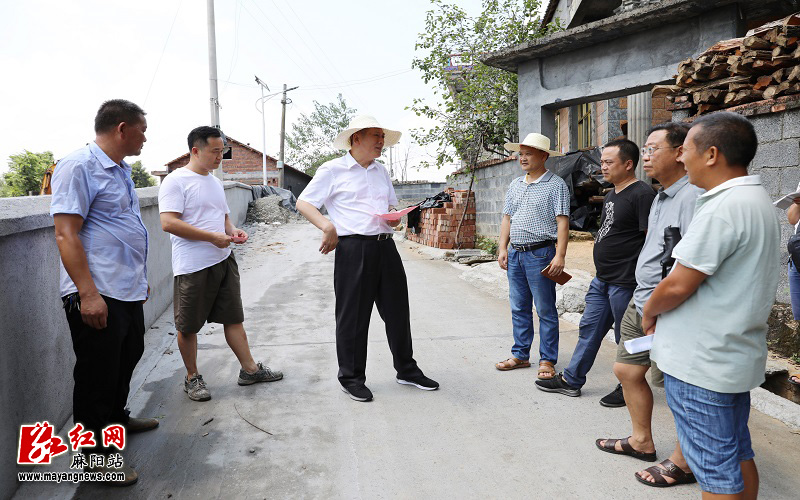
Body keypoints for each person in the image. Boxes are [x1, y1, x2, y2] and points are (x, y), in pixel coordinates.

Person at [645, 111, 780, 499]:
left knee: (716, 472)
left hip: (700, 362)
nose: (681, 159)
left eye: (685, 150)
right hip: (728, 354)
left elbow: (677, 284)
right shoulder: (753, 198)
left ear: (712, 154)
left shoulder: (722, 207)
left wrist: (650, 310)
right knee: (736, 452)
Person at [51, 99, 159, 486]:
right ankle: (96, 462)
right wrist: (88, 294)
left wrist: (139, 280)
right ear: (122, 129)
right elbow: (66, 233)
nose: (146, 137)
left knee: (127, 357)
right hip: (97, 290)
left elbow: (121, 227)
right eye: (143, 130)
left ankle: (117, 420)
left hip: (125, 288)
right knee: (97, 376)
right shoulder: (79, 166)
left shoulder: (120, 170)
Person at [296, 115, 438, 402]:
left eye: (383, 136)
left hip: (386, 247)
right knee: (353, 317)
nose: (381, 142)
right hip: (353, 250)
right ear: (356, 138)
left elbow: (389, 206)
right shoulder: (332, 170)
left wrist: (396, 219)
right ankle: (351, 377)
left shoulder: (380, 171)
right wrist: (327, 226)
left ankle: (406, 370)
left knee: (398, 312)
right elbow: (304, 202)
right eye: (376, 135)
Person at [595, 123, 701, 488]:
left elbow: (690, 265)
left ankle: (684, 461)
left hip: (667, 308)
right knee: (626, 370)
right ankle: (641, 441)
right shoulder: (661, 196)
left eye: (655, 148)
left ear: (680, 152)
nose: (648, 155)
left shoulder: (693, 197)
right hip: (642, 301)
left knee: (675, 386)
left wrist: (660, 306)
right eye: (647, 148)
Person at [159, 126, 283, 402]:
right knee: (188, 326)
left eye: (222, 151)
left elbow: (223, 217)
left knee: (233, 318)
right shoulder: (175, 181)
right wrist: (211, 238)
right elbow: (168, 222)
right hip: (193, 266)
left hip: (223, 261)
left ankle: (250, 370)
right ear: (195, 150)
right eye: (215, 151)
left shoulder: (215, 182)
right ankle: (192, 377)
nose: (219, 157)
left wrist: (232, 231)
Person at [536, 139, 654, 400]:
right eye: (602, 162)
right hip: (603, 280)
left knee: (627, 337)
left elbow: (650, 239)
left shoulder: (642, 194)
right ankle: (571, 379)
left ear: (628, 164)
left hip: (626, 282)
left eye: (608, 162)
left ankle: (628, 389)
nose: (602, 167)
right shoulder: (612, 193)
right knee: (589, 328)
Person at [495, 133, 570, 380]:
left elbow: (562, 222)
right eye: (521, 153)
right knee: (519, 307)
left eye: (529, 153)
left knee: (545, 310)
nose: (522, 158)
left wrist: (560, 256)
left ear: (544, 156)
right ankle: (521, 355)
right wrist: (502, 248)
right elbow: (507, 217)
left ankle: (547, 359)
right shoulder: (515, 184)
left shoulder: (556, 184)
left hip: (541, 254)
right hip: (516, 254)